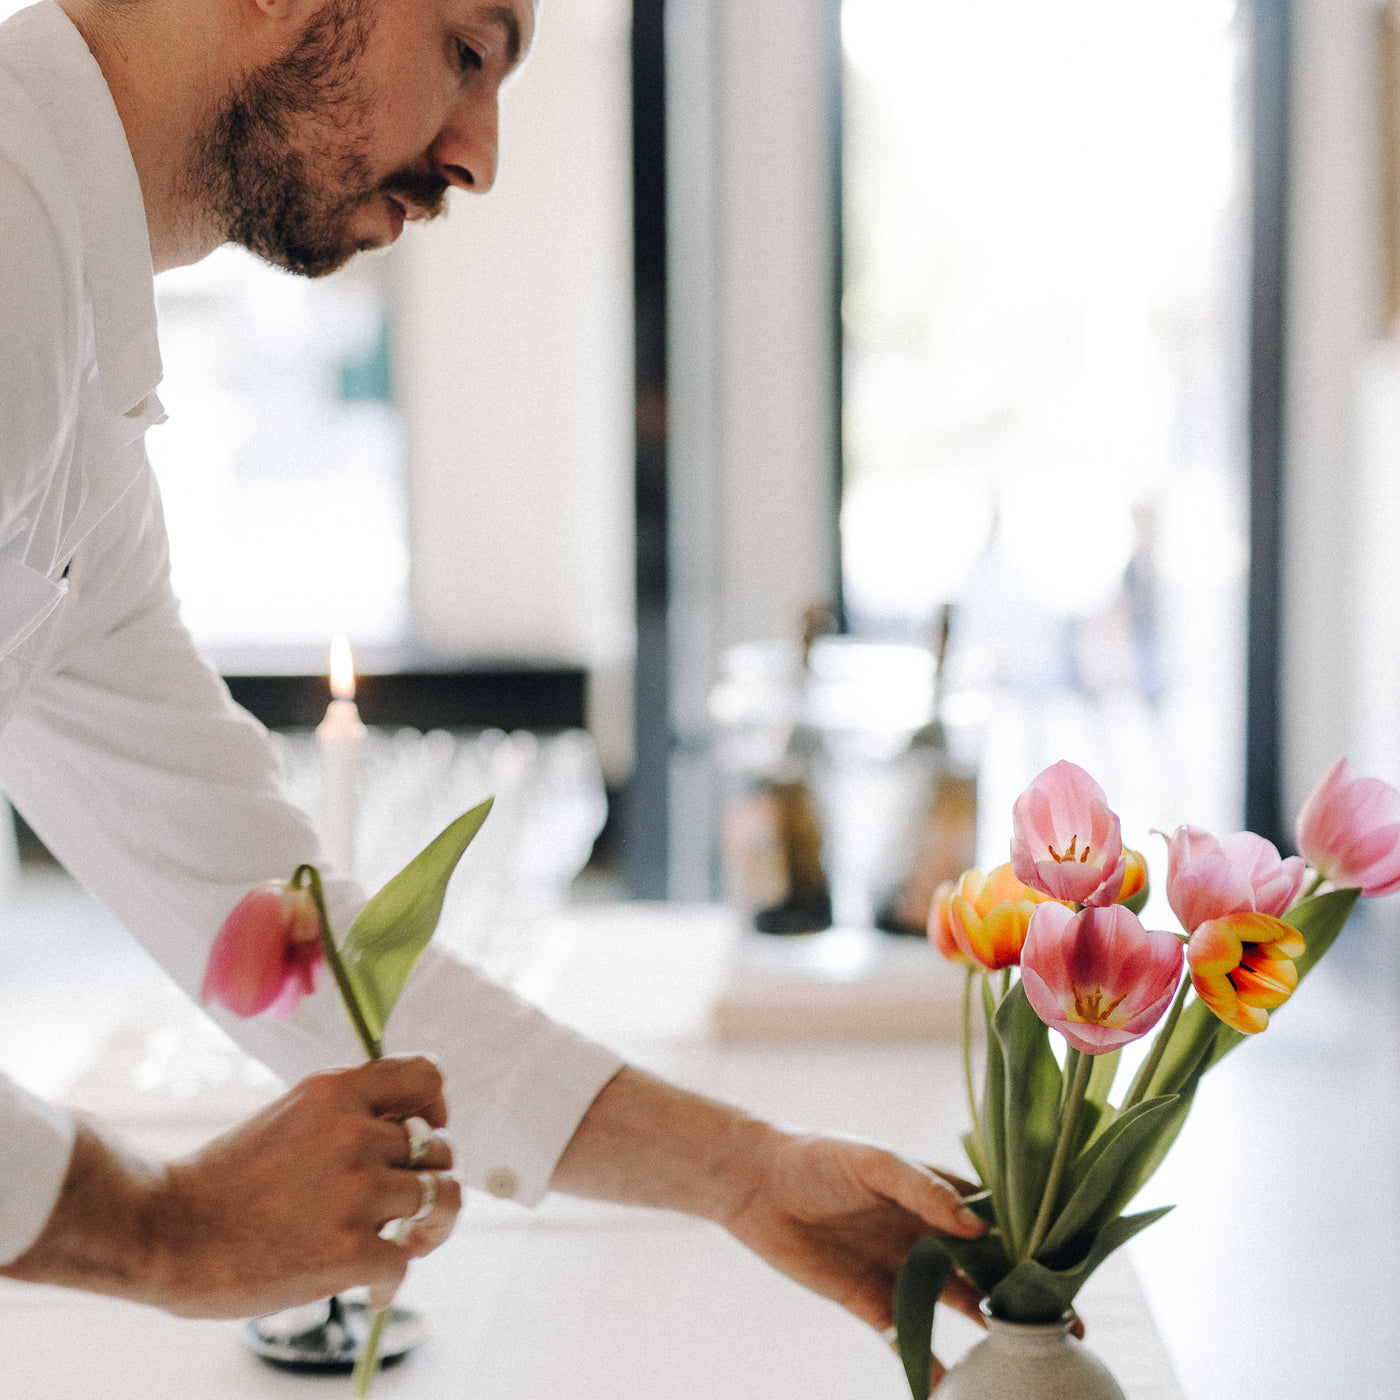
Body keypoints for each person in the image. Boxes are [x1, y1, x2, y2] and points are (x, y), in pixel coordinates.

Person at [0, 0, 984, 1372]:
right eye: (469, 48)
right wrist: (168, 1232)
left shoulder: (73, 359)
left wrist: (745, 1172)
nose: (481, 157)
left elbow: (280, 938)